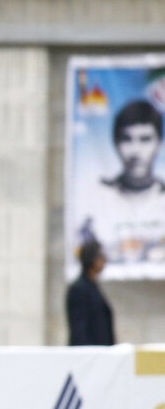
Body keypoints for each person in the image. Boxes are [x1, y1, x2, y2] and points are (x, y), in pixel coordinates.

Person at [79, 99, 165, 266]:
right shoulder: (96, 196)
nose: (136, 151)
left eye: (145, 139)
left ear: (159, 143)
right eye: (127, 139)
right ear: (116, 143)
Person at [66, 240, 114, 346]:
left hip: (100, 351)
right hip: (89, 352)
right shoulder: (78, 289)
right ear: (93, 260)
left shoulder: (92, 286)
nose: (105, 261)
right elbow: (79, 330)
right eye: (102, 257)